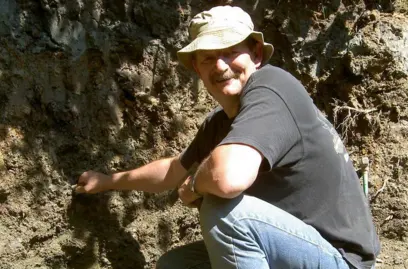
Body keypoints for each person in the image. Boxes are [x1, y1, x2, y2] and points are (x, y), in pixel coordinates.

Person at [75, 5, 380, 269]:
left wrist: (195, 185)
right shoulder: (221, 123)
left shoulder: (272, 86)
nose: (220, 66)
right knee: (176, 265)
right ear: (196, 67)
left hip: (339, 259)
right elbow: (171, 172)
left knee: (225, 212)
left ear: (256, 54)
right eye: (208, 58)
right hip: (294, 250)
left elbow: (226, 178)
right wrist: (107, 181)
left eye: (231, 52)